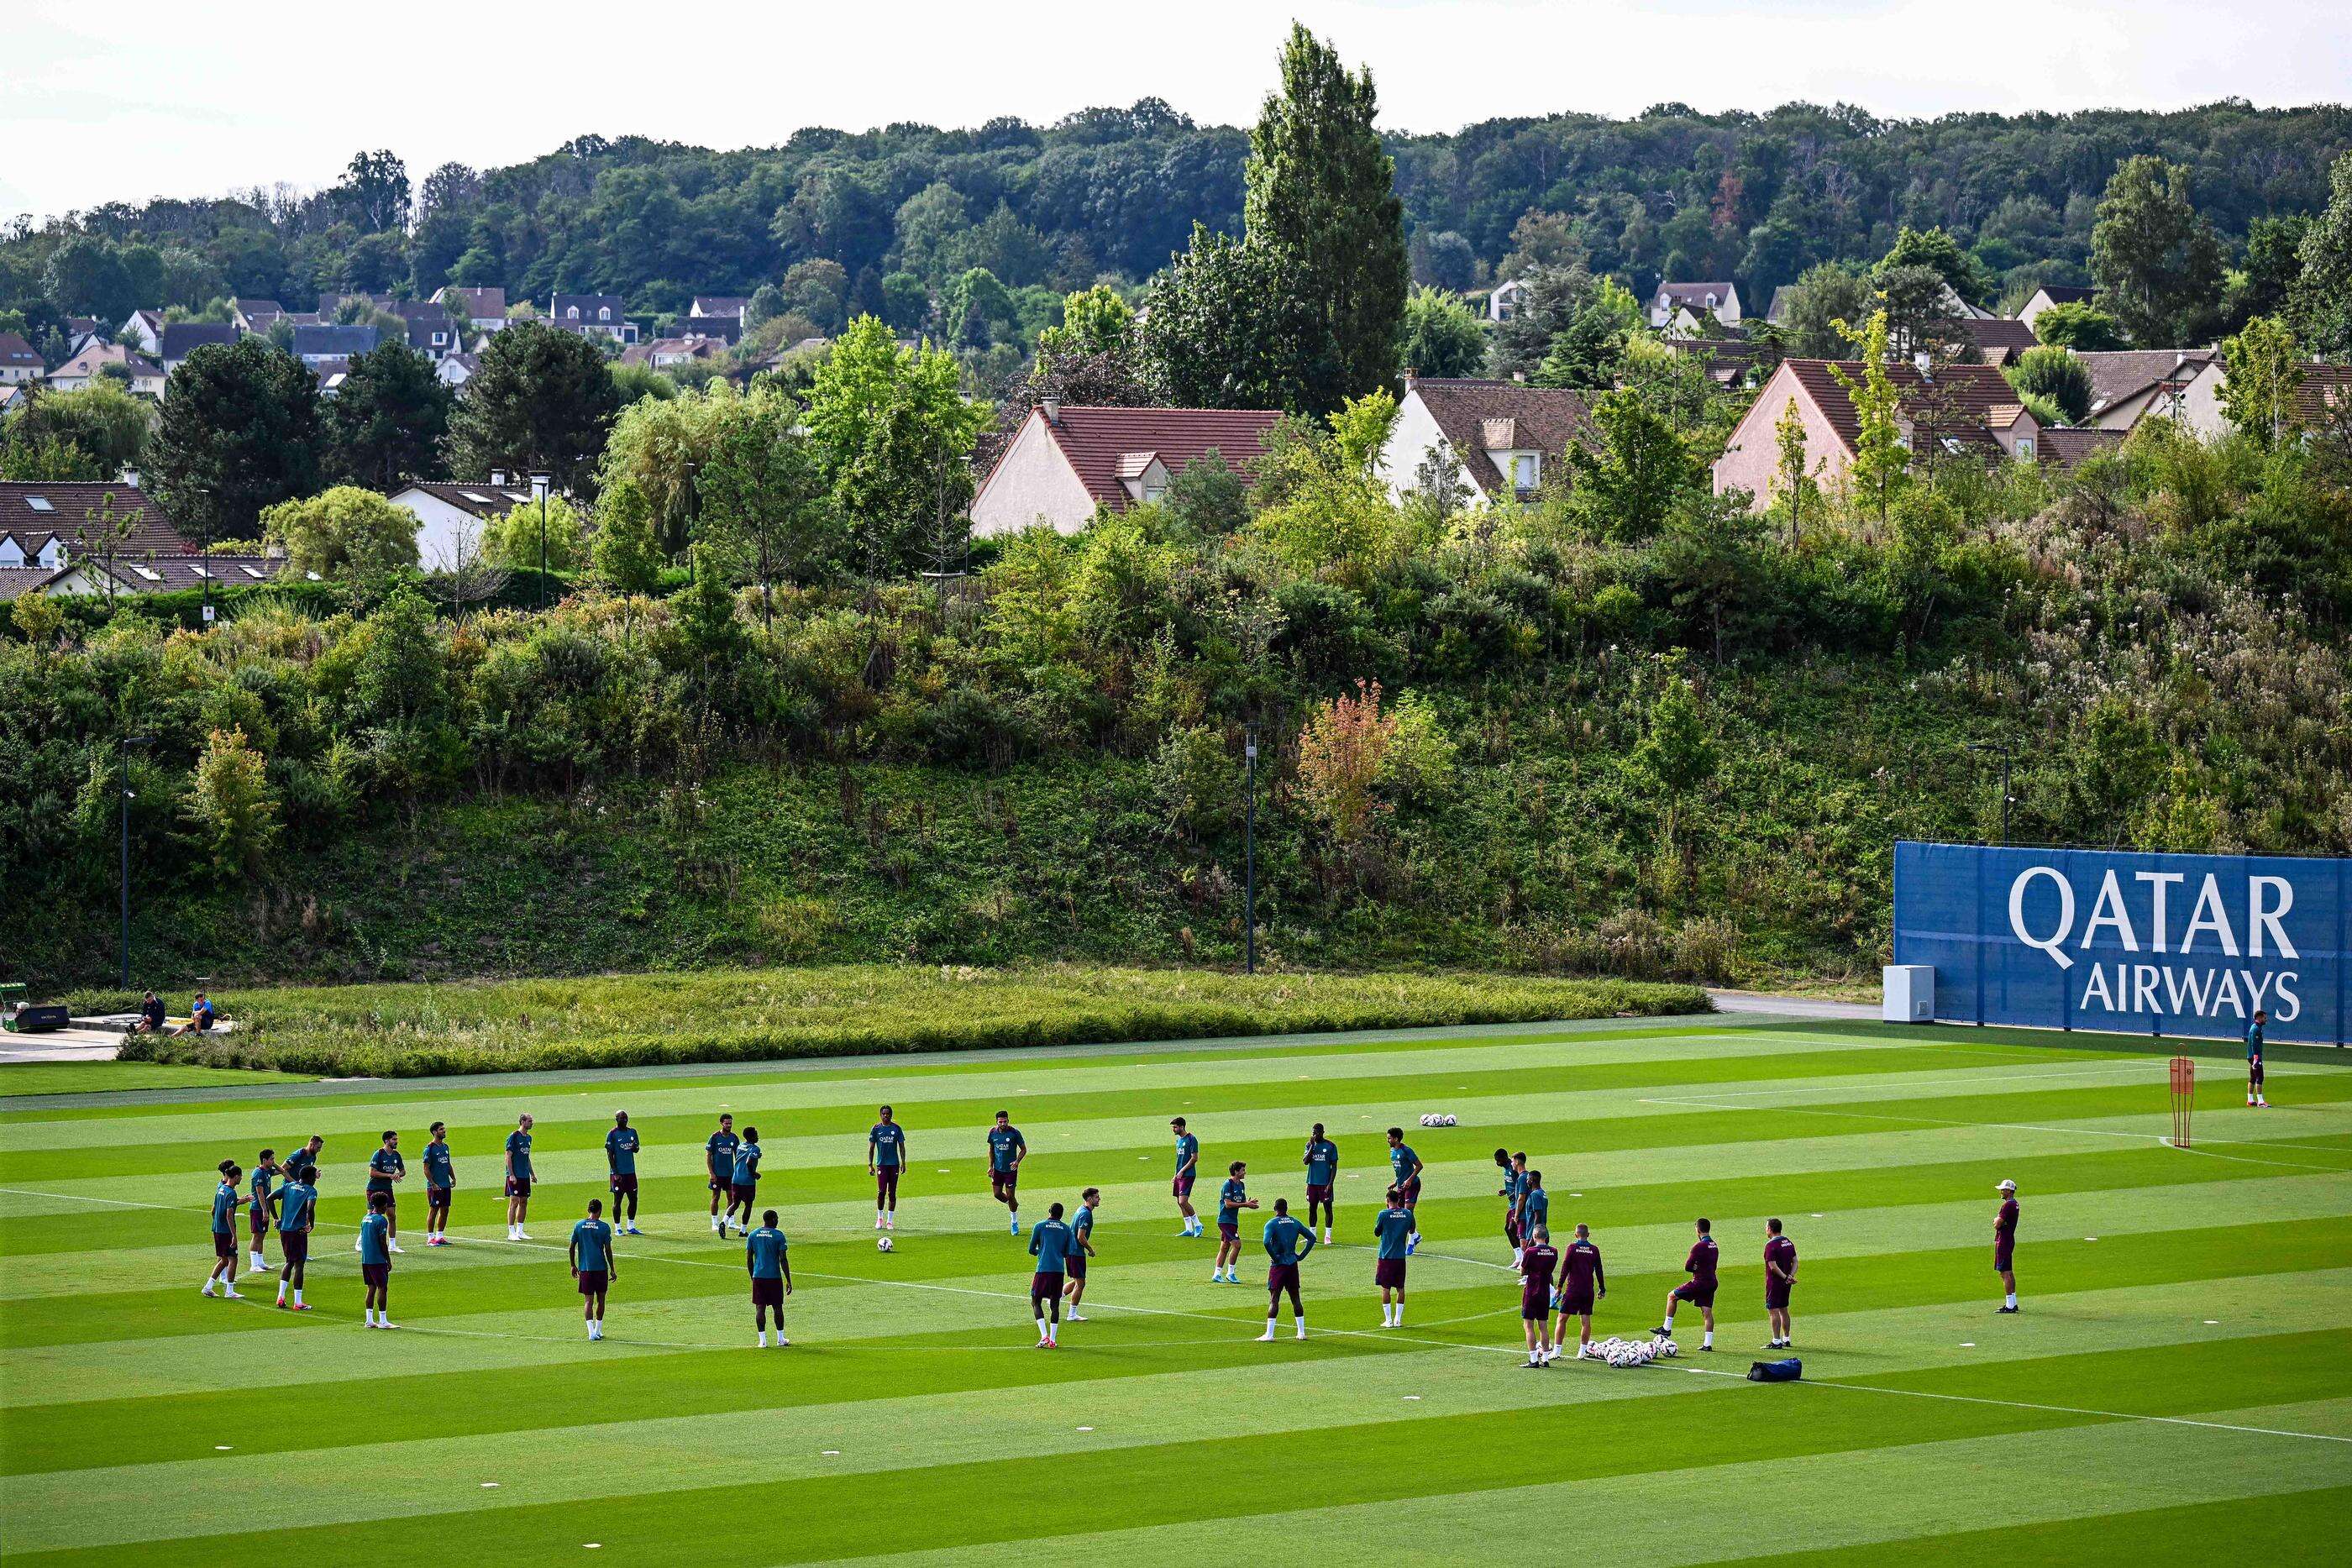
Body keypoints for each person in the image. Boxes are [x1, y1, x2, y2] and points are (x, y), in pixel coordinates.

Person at [1257, 1197, 1316, 1341]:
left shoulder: (1271, 1223)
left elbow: (1266, 1242)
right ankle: (1301, 1332)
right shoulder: (1294, 1222)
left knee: (1274, 1298)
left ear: (1274, 1209)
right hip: (1292, 1263)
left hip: (1278, 1265)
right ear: (1286, 1209)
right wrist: (1301, 1256)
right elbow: (1312, 1238)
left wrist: (1275, 1257)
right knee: (1296, 1298)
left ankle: (1269, 1334)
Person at [1657, 1217, 1718, 1351]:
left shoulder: (1698, 1246)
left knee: (1672, 1296)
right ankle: (1707, 1344)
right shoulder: (1714, 1245)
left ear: (1698, 1229)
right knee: (1707, 1312)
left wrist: (1695, 1267)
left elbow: (1688, 1266)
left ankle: (1666, 1329)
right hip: (1712, 1282)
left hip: (1700, 1282)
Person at [1027, 1201, 1075, 1347]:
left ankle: (1044, 1336)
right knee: (1055, 1304)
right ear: (1061, 1215)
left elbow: (1031, 1249)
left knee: (1035, 1301)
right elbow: (1067, 1252)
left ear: (1049, 1211)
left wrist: (1040, 1252)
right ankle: (1053, 1340)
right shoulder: (1066, 1229)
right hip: (1058, 1271)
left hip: (1043, 1269)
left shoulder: (1040, 1226)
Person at [1557, 1222, 1606, 1358]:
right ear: (1588, 1235)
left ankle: (1557, 1351)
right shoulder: (1594, 1250)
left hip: (1573, 1289)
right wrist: (1602, 1289)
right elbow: (1599, 1271)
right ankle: (1582, 1352)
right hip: (1587, 1290)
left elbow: (1565, 1267)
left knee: (1562, 1319)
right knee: (1585, 1321)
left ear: (1575, 1235)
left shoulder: (1572, 1248)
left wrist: (1559, 1286)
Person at [571, 1198, 617, 1341]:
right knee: (601, 1299)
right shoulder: (604, 1227)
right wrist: (612, 1269)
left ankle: (591, 1332)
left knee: (588, 1301)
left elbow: (572, 1247)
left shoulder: (579, 1225)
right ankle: (598, 1330)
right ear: (600, 1211)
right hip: (600, 1268)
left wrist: (573, 1265)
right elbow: (608, 1250)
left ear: (588, 1210)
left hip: (585, 1269)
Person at [746, 1209, 792, 1347]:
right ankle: (780, 1339)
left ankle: (763, 1341)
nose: (777, 1221)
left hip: (758, 1276)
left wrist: (752, 1276)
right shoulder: (778, 1235)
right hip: (774, 1277)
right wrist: (788, 1280)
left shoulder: (753, 1235)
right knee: (777, 1307)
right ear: (772, 1219)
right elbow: (783, 1259)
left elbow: (749, 1258)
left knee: (760, 1308)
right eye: (776, 1218)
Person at [274, 1162, 316, 1310]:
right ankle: (298, 1302)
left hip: (284, 1230)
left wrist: (276, 1217)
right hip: (298, 1231)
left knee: (289, 1262)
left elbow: (269, 1198)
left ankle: (281, 1297)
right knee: (299, 1264)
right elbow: (310, 1208)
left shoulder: (288, 1186)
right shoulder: (310, 1190)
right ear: (310, 1178)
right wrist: (311, 1224)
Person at [1518, 1224, 1560, 1366]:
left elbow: (1523, 1271)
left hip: (1531, 1292)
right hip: (1545, 1292)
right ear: (1546, 1237)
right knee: (1543, 1325)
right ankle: (1546, 1359)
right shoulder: (1554, 1252)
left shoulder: (1530, 1252)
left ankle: (1534, 1359)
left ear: (1535, 1237)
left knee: (1528, 1325)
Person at [1212, 1161, 1257, 1284]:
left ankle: (1217, 1274)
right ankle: (1230, 1273)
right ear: (1236, 1172)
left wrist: (1249, 1204)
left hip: (1232, 1221)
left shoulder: (1241, 1185)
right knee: (1237, 1245)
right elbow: (1227, 1204)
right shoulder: (1228, 1184)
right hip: (1225, 1220)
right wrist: (1245, 1204)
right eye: (1243, 1170)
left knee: (1225, 1247)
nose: (1245, 1172)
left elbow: (1242, 1201)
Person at [359, 1130, 405, 1253]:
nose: (396, 1141)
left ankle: (393, 1245)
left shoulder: (396, 1155)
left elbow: (403, 1171)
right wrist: (389, 1176)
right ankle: (360, 1240)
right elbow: (372, 1172)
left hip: (387, 1189)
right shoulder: (379, 1154)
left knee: (392, 1215)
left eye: (396, 1139)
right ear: (386, 1141)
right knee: (371, 1216)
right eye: (394, 1139)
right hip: (374, 1189)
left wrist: (397, 1175)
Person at [204, 1160, 244, 1298]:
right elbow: (229, 1215)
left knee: (224, 1260)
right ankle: (229, 1291)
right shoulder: (231, 1193)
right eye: (240, 1176)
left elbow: (213, 1210)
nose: (241, 1178)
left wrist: (216, 1224)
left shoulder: (220, 1189)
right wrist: (234, 1235)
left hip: (217, 1229)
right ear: (235, 1176)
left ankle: (208, 1287)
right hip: (226, 1232)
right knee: (233, 1259)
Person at [1373, 1187, 1412, 1327]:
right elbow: (1412, 1229)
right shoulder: (1407, 1214)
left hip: (1386, 1256)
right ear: (1399, 1200)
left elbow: (1377, 1232)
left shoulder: (1383, 1214)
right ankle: (1398, 1320)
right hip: (1400, 1257)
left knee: (1385, 1288)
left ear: (1387, 1200)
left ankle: (1388, 1320)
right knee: (1400, 1288)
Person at [360, 1192, 396, 1329]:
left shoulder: (365, 1218)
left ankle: (369, 1320)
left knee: (371, 1287)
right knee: (382, 1287)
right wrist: (388, 1259)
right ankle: (383, 1321)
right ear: (383, 1205)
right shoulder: (381, 1220)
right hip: (377, 1260)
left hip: (366, 1259)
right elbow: (382, 1242)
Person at [988, 1111, 1026, 1235]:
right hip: (998, 1170)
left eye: (1005, 1121)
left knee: (1010, 1196)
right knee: (997, 1194)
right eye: (1000, 1122)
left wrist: (1017, 1162)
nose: (1003, 1124)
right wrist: (990, 1167)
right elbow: (991, 1150)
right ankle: (1013, 1204)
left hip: (1011, 1170)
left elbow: (1023, 1149)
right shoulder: (992, 1133)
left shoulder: (1014, 1133)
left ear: (1008, 1120)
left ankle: (1014, 1222)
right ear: (997, 1122)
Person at [1386, 1128, 1424, 1253]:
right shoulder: (1392, 1152)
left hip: (1412, 1185)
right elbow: (1400, 1170)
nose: (1388, 1140)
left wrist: (1409, 1180)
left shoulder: (1406, 1150)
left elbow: (1419, 1166)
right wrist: (1396, 1182)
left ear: (1396, 1139)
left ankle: (1411, 1240)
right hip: (1401, 1186)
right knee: (1400, 1213)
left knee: (1408, 1212)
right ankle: (1416, 1235)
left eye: (1389, 1138)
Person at [1065, 1188, 1100, 1320]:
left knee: (1076, 1281)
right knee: (1081, 1284)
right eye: (1097, 1197)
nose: (1099, 1199)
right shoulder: (1086, 1214)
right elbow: (1081, 1237)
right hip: (1076, 1252)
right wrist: (1090, 1249)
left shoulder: (1081, 1209)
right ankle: (1072, 1314)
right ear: (1089, 1199)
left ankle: (1055, 1298)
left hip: (1070, 1250)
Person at [869, 1106, 906, 1231]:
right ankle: (880, 1218)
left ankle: (890, 1221)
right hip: (881, 1164)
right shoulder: (876, 1129)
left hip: (894, 1164)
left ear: (891, 1115)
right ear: (880, 1115)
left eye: (888, 1114)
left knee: (892, 1193)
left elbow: (901, 1146)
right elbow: (871, 1148)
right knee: (881, 1192)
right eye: (883, 1114)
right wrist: (870, 1165)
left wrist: (903, 1162)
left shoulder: (896, 1129)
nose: (886, 1116)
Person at [606, 1111, 643, 1235]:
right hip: (618, 1174)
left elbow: (636, 1149)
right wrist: (615, 1172)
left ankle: (631, 1226)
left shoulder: (632, 1132)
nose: (625, 1119)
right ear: (616, 1119)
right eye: (622, 1117)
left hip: (631, 1172)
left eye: (626, 1117)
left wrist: (634, 1148)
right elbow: (610, 1154)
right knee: (618, 1200)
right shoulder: (612, 1134)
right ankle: (617, 1228)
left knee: (633, 1199)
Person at [1302, 1123, 1339, 1243]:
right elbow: (1305, 1162)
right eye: (1313, 1132)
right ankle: (1312, 1235)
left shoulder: (1330, 1146)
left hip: (1325, 1183)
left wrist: (1330, 1183)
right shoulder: (1309, 1145)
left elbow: (1334, 1166)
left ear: (1322, 1132)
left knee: (1328, 1208)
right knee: (1312, 1208)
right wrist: (1312, 1147)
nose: (1314, 1135)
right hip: (1312, 1182)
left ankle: (1328, 1236)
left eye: (1316, 1132)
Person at [724, 1125, 763, 1238]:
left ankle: (723, 1222)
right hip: (747, 1181)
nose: (758, 1136)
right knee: (748, 1205)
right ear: (751, 1136)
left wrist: (757, 1157)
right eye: (756, 1134)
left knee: (735, 1204)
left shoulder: (740, 1145)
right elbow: (749, 1162)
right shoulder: (755, 1149)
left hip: (735, 1179)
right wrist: (754, 1174)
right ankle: (743, 1230)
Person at [1764, 1218, 1797, 1349]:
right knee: (1784, 1309)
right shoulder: (1788, 1242)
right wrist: (1790, 1277)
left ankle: (1776, 1341)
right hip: (1786, 1283)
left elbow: (1772, 1266)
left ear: (1770, 1229)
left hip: (1775, 1283)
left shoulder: (1770, 1245)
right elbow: (1795, 1261)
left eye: (1766, 1227)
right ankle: (1786, 1338)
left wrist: (1784, 1277)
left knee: (1773, 1310)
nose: (1765, 1229)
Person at [246, 1148, 280, 1273]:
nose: (273, 1161)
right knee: (257, 1235)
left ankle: (260, 1262)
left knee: (262, 1234)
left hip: (264, 1207)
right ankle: (253, 1264)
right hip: (258, 1208)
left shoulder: (267, 1171)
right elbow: (260, 1193)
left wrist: (273, 1163)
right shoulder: (258, 1173)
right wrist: (265, 1210)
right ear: (264, 1160)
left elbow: (282, 1170)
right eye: (271, 1159)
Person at [705, 1114, 740, 1234]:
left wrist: (738, 1171)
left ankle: (730, 1222)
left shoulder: (734, 1138)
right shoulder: (715, 1137)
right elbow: (708, 1155)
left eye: (730, 1123)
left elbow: (738, 1155)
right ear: (721, 1123)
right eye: (726, 1123)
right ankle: (714, 1223)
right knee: (716, 1197)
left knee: (732, 1197)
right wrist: (711, 1173)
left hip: (730, 1174)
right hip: (717, 1174)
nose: (729, 1125)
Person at [423, 1122, 454, 1245]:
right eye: (441, 1129)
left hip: (445, 1184)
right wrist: (432, 1183)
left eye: (444, 1129)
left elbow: (448, 1164)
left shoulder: (445, 1147)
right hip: (435, 1186)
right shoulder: (429, 1148)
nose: (444, 1131)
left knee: (445, 1210)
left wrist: (453, 1177)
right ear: (435, 1132)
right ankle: (430, 1238)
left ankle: (440, 1236)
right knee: (433, 1210)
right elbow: (426, 1168)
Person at [504, 1114, 535, 1241]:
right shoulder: (513, 1136)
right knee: (514, 1201)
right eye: (529, 1121)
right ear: (522, 1122)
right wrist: (511, 1174)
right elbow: (508, 1156)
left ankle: (520, 1231)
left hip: (524, 1175)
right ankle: (511, 1232)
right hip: (515, 1175)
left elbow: (527, 1157)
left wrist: (532, 1174)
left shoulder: (529, 1138)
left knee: (524, 1201)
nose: (532, 1123)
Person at [1171, 1117, 1201, 1238]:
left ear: (1182, 1127)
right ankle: (1189, 1229)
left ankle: (1198, 1225)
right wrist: (1176, 1174)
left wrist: (1182, 1171)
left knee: (1183, 1201)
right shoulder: (1179, 1141)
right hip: (1180, 1174)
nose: (1173, 1129)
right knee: (1179, 1202)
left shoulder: (1191, 1139)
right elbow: (1179, 1160)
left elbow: (1194, 1158)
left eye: (1175, 1127)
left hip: (1188, 1174)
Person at [1994, 1178, 2020, 1313]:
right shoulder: (2014, 1204)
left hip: (2003, 1241)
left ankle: (2010, 1305)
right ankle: (2013, 1302)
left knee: (2004, 1273)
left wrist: (1996, 1220)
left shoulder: (2008, 1205)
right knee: (2008, 1272)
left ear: (2009, 1191)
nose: (2000, 1191)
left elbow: (1997, 1224)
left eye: (2003, 1189)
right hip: (2008, 1240)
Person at [2247, 1009, 2270, 1108]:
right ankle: (2260, 1101)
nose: (2266, 1020)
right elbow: (2254, 1044)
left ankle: (2250, 1100)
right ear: (2259, 1018)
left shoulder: (2255, 1027)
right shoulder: (2256, 1029)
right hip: (2255, 1057)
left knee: (2252, 1077)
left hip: (2251, 1056)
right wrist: (2256, 1058)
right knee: (2260, 1077)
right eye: (2265, 1018)